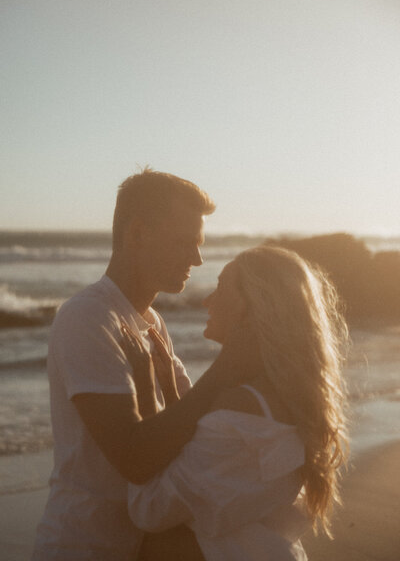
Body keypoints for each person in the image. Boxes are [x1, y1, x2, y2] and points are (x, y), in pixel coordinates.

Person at [32, 169, 256, 560]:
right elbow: (135, 458)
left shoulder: (152, 321)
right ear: (138, 234)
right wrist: (223, 370)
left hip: (142, 545)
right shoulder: (88, 317)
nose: (198, 258)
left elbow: (187, 429)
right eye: (185, 242)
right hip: (84, 545)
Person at [126, 245, 349, 560]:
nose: (207, 300)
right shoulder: (293, 399)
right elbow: (219, 478)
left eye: (220, 287)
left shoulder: (239, 406)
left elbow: (150, 509)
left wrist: (146, 388)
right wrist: (170, 390)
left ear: (252, 305)